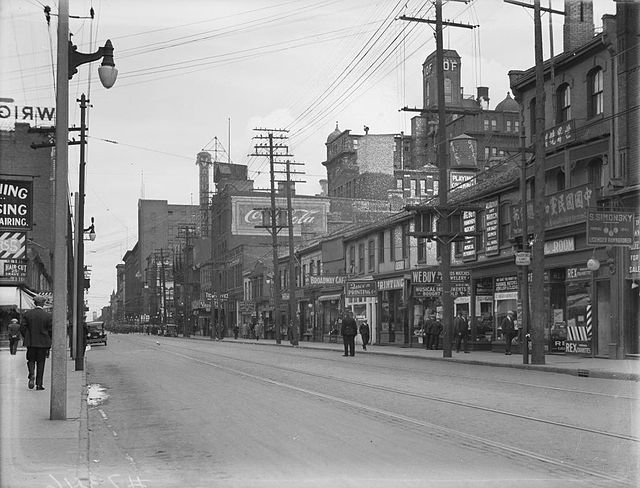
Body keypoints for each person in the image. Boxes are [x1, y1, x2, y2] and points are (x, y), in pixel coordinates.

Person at [20, 296, 52, 390]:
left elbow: (22, 328)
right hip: (43, 343)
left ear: (34, 303)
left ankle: (31, 374)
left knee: (30, 360)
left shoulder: (27, 314)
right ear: (43, 304)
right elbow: (50, 330)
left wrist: (27, 337)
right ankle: (39, 384)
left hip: (31, 342)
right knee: (41, 363)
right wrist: (49, 340)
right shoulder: (48, 316)